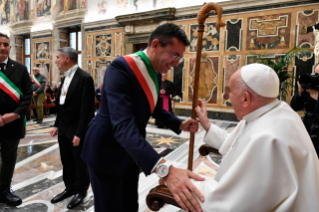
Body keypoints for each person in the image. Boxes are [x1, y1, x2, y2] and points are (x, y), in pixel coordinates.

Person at [81, 23, 204, 212]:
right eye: (174, 54)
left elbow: (153, 108)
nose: (176, 62)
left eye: (180, 57)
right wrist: (164, 170)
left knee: (129, 205)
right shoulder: (120, 68)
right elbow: (122, 126)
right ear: (156, 45)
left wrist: (180, 124)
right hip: (106, 150)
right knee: (110, 207)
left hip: (130, 152)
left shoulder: (154, 71)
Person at [189, 63, 319, 211]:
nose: (228, 97)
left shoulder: (267, 138)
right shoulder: (274, 112)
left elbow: (231, 205)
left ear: (245, 98)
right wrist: (206, 124)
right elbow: (235, 144)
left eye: (231, 91)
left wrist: (186, 182)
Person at [49, 47, 95, 209]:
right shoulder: (65, 78)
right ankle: (70, 188)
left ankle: (81, 191)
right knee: (67, 161)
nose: (56, 61)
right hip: (64, 128)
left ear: (67, 58)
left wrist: (80, 133)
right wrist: (56, 125)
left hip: (77, 131)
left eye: (57, 57)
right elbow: (61, 105)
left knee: (80, 162)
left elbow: (87, 110)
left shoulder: (85, 78)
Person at [0, 32, 32, 206]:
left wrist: (12, 115)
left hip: (13, 123)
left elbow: (27, 96)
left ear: (10, 47)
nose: (3, 47)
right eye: (0, 44)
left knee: (9, 158)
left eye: (6, 44)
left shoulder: (20, 69)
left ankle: (4, 190)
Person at [291, 64, 319, 156]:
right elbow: (294, 107)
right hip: (308, 134)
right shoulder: (310, 88)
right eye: (315, 74)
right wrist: (300, 91)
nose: (316, 77)